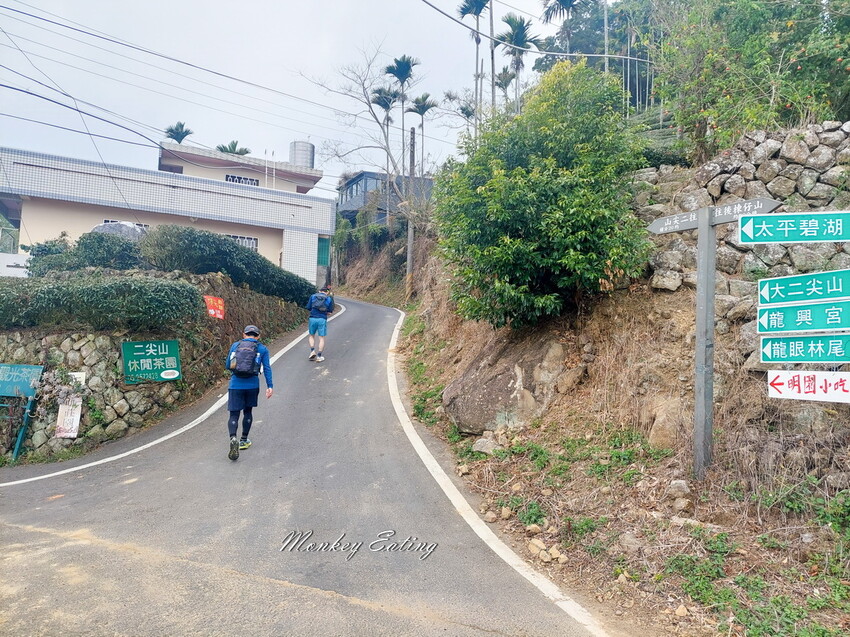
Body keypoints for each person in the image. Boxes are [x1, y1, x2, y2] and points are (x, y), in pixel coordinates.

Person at [225, 325, 273, 461]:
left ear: (244, 334)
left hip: (235, 384)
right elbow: (267, 368)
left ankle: (233, 437)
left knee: (234, 414)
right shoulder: (262, 349)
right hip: (252, 385)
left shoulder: (235, 345)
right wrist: (270, 386)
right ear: (258, 336)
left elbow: (228, 364)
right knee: (248, 412)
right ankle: (243, 440)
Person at [306, 286, 334, 362]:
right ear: (327, 292)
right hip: (322, 319)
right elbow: (330, 311)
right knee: (321, 338)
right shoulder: (328, 298)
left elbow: (308, 307)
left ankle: (312, 351)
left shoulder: (313, 296)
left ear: (319, 291)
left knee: (311, 335)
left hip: (312, 318)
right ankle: (319, 356)